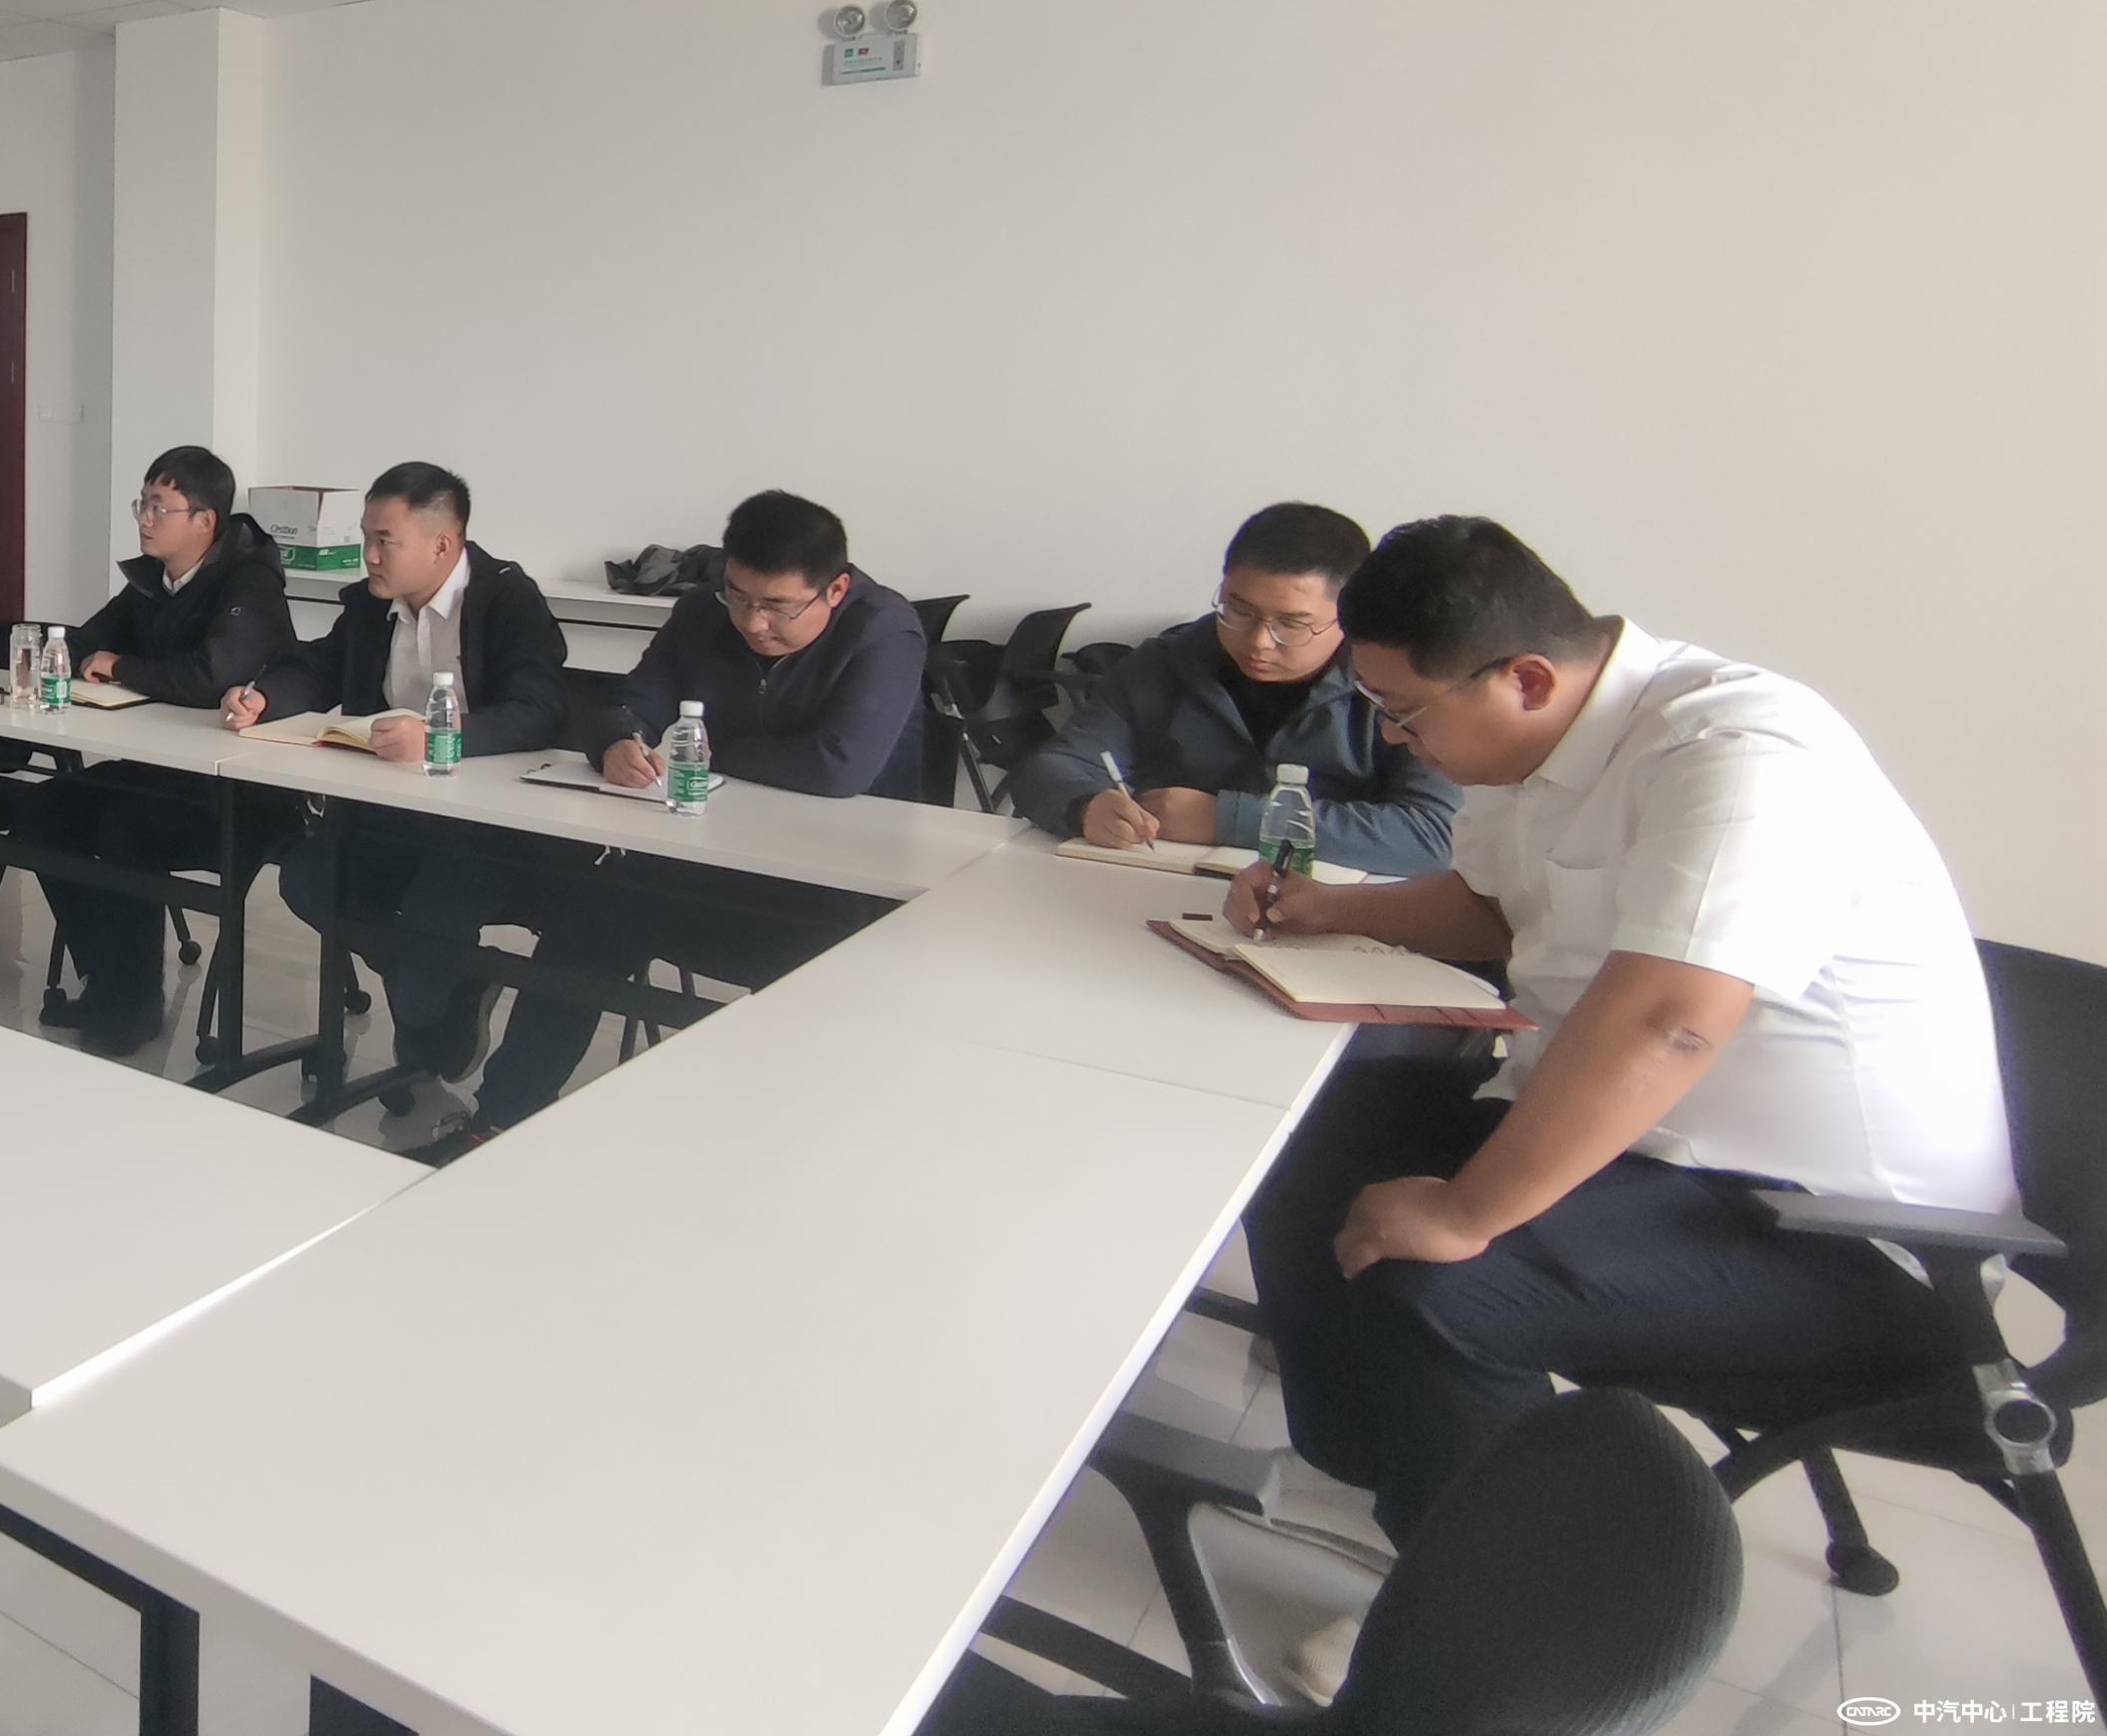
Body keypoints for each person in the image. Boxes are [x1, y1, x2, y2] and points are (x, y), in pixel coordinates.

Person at [1230, 516, 2006, 1563]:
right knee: (1302, 1137)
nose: (1394, 739)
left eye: (1403, 713)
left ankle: (1494, 1612)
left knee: (1445, 1287)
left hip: (1834, 1234)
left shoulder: (1742, 752)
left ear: (1527, 680)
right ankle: (1392, 1485)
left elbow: (1670, 1020)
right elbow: (1495, 909)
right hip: (1649, 1153)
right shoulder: (1537, 751)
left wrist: (1464, 1211)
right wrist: (1325, 909)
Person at [487, 491, 931, 1151]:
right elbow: (631, 701)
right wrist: (617, 741)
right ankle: (497, 1122)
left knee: (806, 1019)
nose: (753, 623)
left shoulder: (883, 630)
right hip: (706, 859)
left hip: (837, 892)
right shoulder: (703, 611)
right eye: (738, 597)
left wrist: (704, 751)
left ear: (835, 590)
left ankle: (772, 1154)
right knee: (587, 918)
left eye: (778, 606)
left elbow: (839, 767)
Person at [226, 463, 569, 1125]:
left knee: (430, 915)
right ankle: (453, 983)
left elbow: (541, 709)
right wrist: (265, 697)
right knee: (308, 879)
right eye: (366, 537)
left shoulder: (507, 599)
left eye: (386, 540)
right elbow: (318, 667)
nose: (370, 555)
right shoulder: (369, 604)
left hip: (482, 828)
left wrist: (442, 739)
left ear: (443, 544)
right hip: (384, 812)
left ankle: (427, 1022)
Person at [1009, 502, 1458, 876]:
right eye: (1238, 611)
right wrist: (1085, 806)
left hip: (1337, 915)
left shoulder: (1399, 688)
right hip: (1157, 895)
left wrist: (1224, 819)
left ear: (1348, 616)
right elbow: (1049, 768)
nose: (1259, 641)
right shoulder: (1166, 663)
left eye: (1291, 624)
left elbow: (1432, 835)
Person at [21, 446, 295, 1054]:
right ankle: (109, 980)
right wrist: (71, 654)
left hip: (241, 787)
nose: (144, 520)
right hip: (165, 767)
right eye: (141, 505)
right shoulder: (154, 579)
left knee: (126, 825)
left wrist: (120, 666)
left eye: (159, 508)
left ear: (205, 521)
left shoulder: (250, 581)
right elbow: (87, 641)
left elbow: (211, 674)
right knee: (46, 809)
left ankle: (135, 1002)